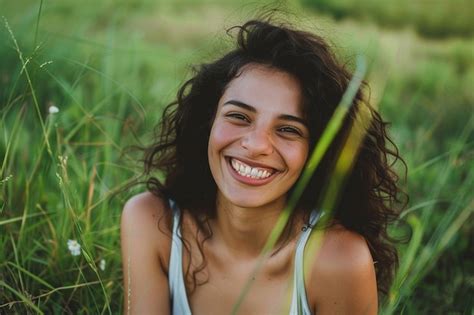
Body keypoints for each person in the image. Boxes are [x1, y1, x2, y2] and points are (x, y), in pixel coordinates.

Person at [121, 18, 406, 314]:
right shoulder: (152, 223)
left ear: (319, 151)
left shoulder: (338, 260)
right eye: (239, 117)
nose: (256, 145)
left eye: (289, 130)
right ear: (208, 122)